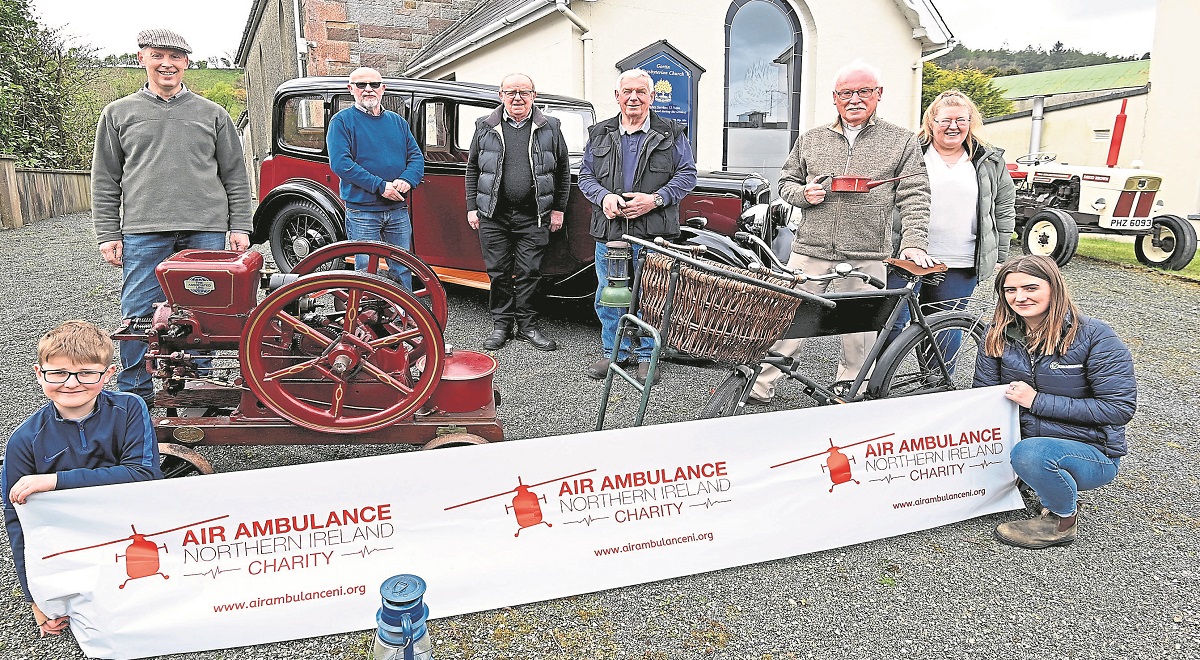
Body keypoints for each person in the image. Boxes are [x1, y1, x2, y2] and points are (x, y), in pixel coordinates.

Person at [751, 60, 934, 403]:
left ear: (878, 95)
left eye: (864, 91)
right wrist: (802, 195)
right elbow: (786, 182)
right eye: (846, 93)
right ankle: (760, 385)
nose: (854, 99)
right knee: (788, 318)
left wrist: (913, 242)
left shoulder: (902, 141)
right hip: (811, 249)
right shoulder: (811, 139)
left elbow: (915, 195)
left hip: (866, 252)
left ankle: (849, 392)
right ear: (834, 98)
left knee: (860, 333)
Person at [92, 28, 252, 407]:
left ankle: (197, 391)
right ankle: (137, 396)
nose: (167, 63)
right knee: (138, 316)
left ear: (186, 63)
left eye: (176, 57)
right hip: (145, 231)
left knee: (205, 312)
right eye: (158, 55)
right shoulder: (118, 113)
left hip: (205, 230)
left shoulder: (212, 114)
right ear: (141, 59)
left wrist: (240, 225)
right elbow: (105, 179)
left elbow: (234, 174)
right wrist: (107, 233)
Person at [3, 321, 163, 636]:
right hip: (71, 546)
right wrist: (38, 599)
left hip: (131, 532)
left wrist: (54, 481)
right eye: (58, 373)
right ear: (39, 373)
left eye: (87, 373)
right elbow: (18, 521)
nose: (72, 383)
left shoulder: (130, 408)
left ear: (107, 373)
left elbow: (144, 474)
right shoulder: (24, 440)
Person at [974, 255, 1136, 549]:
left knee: (1031, 454)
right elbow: (983, 395)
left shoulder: (1096, 336)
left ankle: (1062, 521)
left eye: (1030, 288)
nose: (1019, 298)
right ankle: (1033, 479)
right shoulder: (996, 333)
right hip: (1021, 440)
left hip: (1089, 451)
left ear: (1054, 287)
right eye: (1010, 290)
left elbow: (1119, 408)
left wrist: (1037, 401)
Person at [579, 69, 697, 385]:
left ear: (651, 97)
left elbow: (687, 175)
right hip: (610, 230)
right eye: (627, 91)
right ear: (617, 96)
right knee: (609, 294)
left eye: (641, 92)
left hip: (654, 230)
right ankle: (614, 352)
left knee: (652, 297)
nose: (634, 98)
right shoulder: (600, 133)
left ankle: (647, 356)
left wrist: (655, 199)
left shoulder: (671, 133)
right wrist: (603, 197)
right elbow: (585, 177)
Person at [884, 89, 1016, 347]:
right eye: (945, 120)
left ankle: (934, 385)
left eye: (961, 120)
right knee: (890, 326)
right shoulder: (911, 153)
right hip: (906, 256)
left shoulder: (989, 160)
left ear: (970, 123)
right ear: (931, 122)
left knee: (944, 328)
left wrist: (999, 256)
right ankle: (880, 385)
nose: (953, 126)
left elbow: (1003, 208)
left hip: (960, 260)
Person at [466, 73, 570, 351]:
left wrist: (558, 209)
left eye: (524, 92)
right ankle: (501, 325)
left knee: (529, 271)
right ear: (500, 96)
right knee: (498, 272)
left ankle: (527, 326)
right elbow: (473, 169)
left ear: (534, 96)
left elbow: (562, 171)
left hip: (534, 215)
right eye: (510, 92)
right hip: (493, 215)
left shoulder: (550, 127)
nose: (517, 97)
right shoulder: (485, 127)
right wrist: (472, 207)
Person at [326, 67, 425, 289]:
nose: (368, 89)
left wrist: (407, 179)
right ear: (351, 89)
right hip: (362, 212)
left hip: (397, 210)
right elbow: (341, 164)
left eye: (374, 85)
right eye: (361, 85)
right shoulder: (341, 122)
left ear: (383, 89)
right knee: (365, 270)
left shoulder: (398, 122)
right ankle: (367, 319)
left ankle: (403, 318)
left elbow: (416, 157)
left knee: (402, 267)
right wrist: (380, 186)